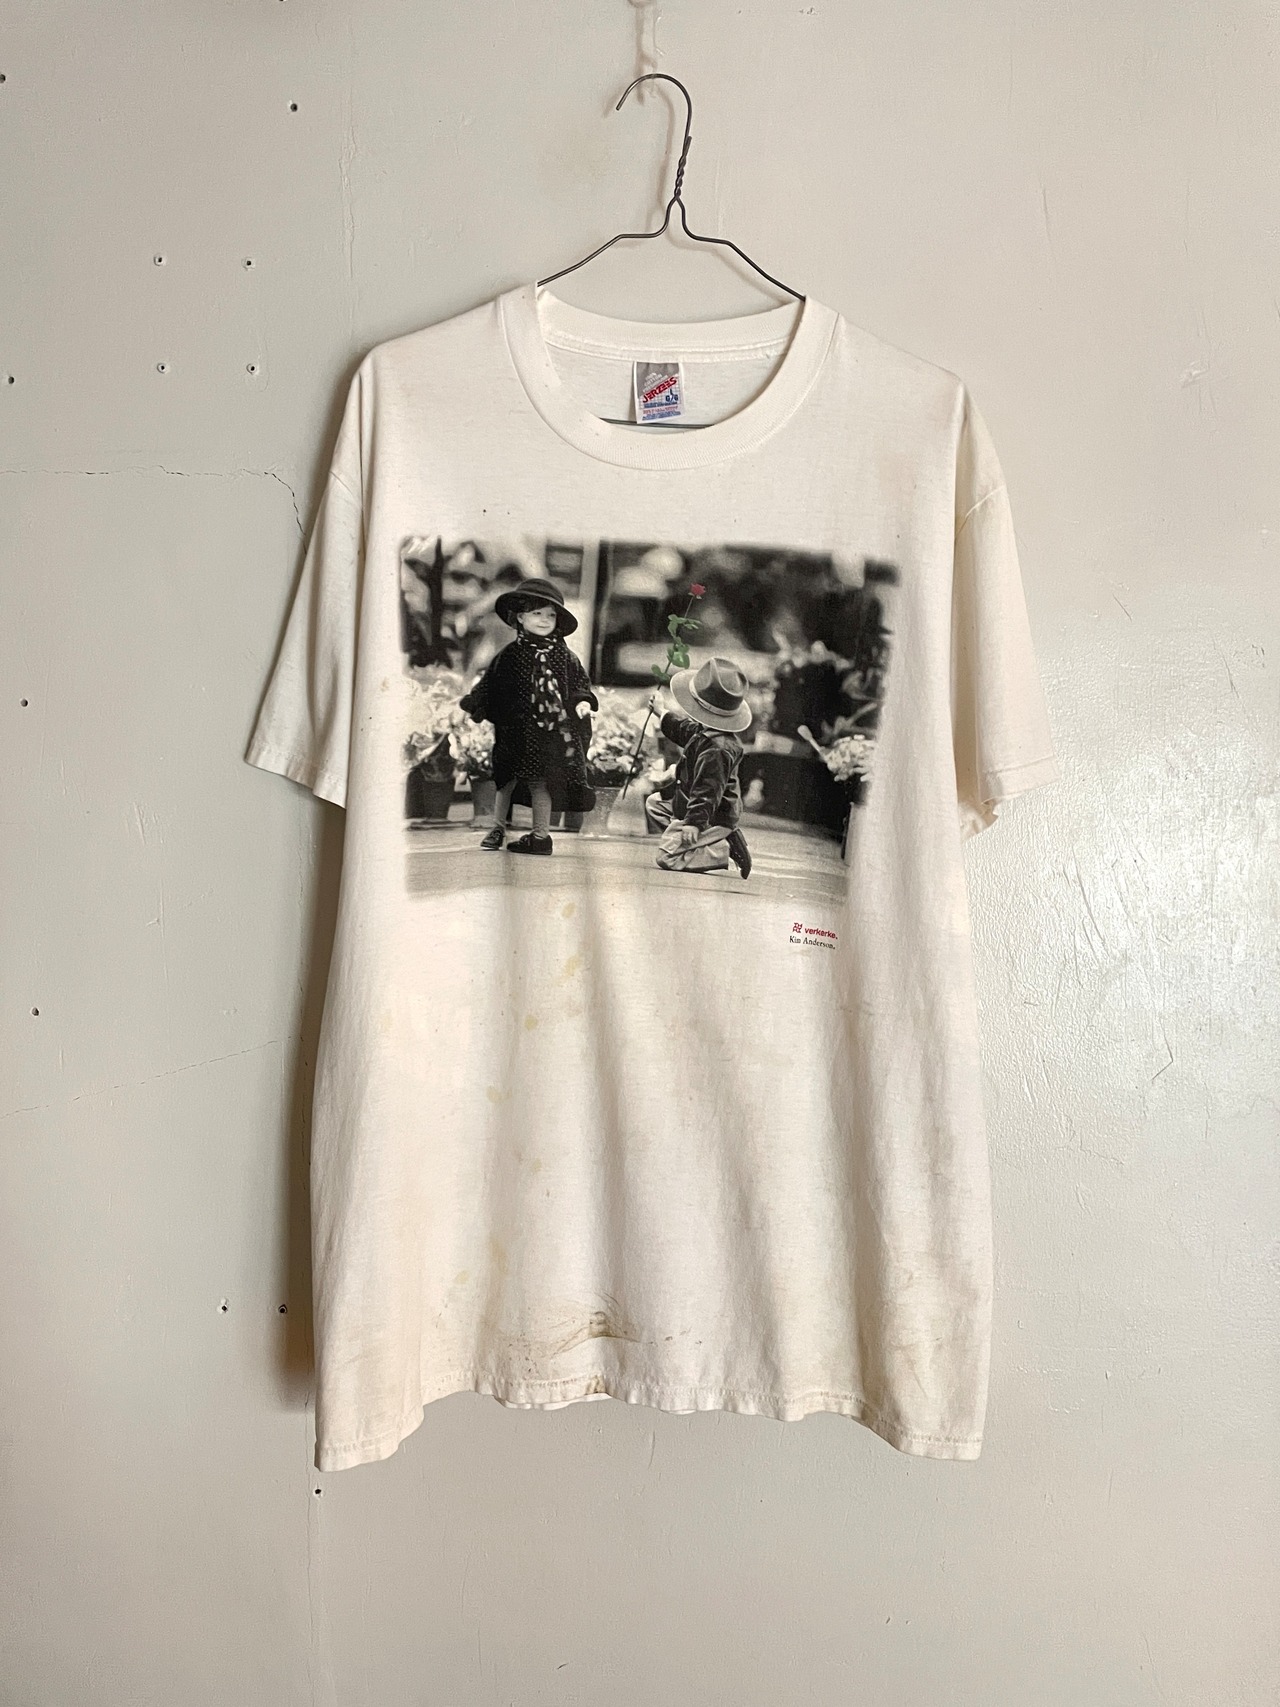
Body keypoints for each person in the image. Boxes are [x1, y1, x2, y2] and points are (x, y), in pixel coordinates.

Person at [458, 578, 597, 855]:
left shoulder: (565, 657)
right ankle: (497, 827)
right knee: (505, 779)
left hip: (550, 734)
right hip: (514, 729)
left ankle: (540, 836)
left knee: (540, 781)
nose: (544, 620)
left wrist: (583, 702)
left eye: (551, 615)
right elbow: (490, 682)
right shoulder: (511, 655)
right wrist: (475, 704)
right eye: (537, 613)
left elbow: (579, 683)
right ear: (520, 617)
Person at [643, 657, 753, 879]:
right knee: (655, 805)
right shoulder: (708, 732)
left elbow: (707, 791)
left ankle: (723, 848)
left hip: (713, 814)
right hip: (693, 802)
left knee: (667, 858)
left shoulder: (718, 749)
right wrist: (662, 712)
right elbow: (684, 730)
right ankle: (698, 839)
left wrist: (693, 824)